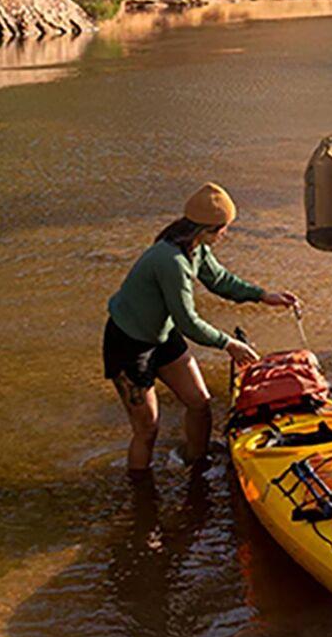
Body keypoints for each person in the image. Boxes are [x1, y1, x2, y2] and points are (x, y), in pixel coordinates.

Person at [103, 182, 299, 472]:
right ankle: (141, 498)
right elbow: (188, 322)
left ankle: (197, 465)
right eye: (224, 228)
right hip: (129, 345)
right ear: (206, 229)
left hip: (162, 335)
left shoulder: (196, 247)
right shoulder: (172, 261)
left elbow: (219, 280)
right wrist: (229, 344)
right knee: (147, 431)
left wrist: (263, 296)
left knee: (199, 402)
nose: (226, 234)